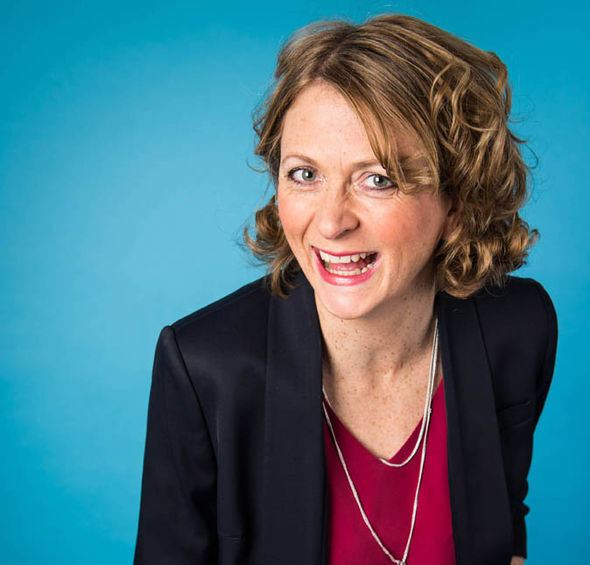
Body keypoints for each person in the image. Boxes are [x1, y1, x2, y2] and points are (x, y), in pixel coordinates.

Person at [133, 13, 558, 565]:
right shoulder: (203, 367)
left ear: (457, 203)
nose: (331, 222)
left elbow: (503, 525)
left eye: (377, 179)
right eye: (304, 174)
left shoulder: (517, 328)